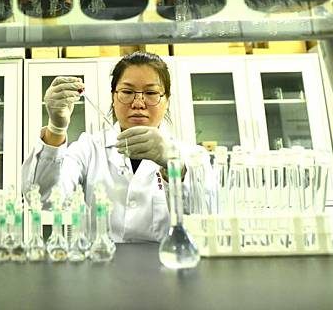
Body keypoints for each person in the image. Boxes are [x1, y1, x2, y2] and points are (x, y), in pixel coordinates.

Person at [22, 51, 208, 243]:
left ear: (167, 100)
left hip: (166, 265)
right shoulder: (89, 149)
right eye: (127, 92)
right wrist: (56, 128)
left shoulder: (192, 156)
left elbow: (205, 217)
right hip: (101, 267)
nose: (138, 103)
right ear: (113, 97)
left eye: (151, 93)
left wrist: (175, 166)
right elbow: (46, 199)